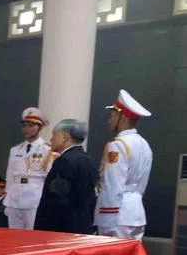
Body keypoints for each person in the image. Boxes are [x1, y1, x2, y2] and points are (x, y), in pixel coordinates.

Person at [95, 90, 153, 240]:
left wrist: (107, 218)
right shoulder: (144, 144)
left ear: (123, 118)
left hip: (117, 215)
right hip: (136, 212)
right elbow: (141, 185)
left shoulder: (117, 145)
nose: (109, 120)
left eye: (112, 116)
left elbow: (113, 184)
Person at [34, 119, 98, 235]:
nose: (51, 139)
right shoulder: (88, 160)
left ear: (65, 137)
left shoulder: (64, 162)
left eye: (54, 135)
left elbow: (56, 200)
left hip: (62, 231)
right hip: (82, 226)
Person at [4, 107, 51, 230]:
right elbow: (10, 176)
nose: (26, 129)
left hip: (34, 197)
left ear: (40, 128)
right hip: (15, 196)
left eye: (31, 126)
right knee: (13, 236)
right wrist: (7, 196)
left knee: (32, 235)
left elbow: (49, 177)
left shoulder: (48, 150)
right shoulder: (15, 150)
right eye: (24, 125)